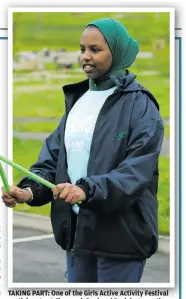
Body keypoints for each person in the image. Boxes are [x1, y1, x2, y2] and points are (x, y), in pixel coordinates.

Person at [2, 18, 164, 283]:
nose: (85, 57)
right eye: (82, 49)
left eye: (95, 50)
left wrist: (86, 190)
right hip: (77, 238)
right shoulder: (77, 103)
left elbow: (136, 172)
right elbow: (52, 162)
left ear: (118, 52)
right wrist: (29, 191)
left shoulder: (141, 106)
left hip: (121, 241)